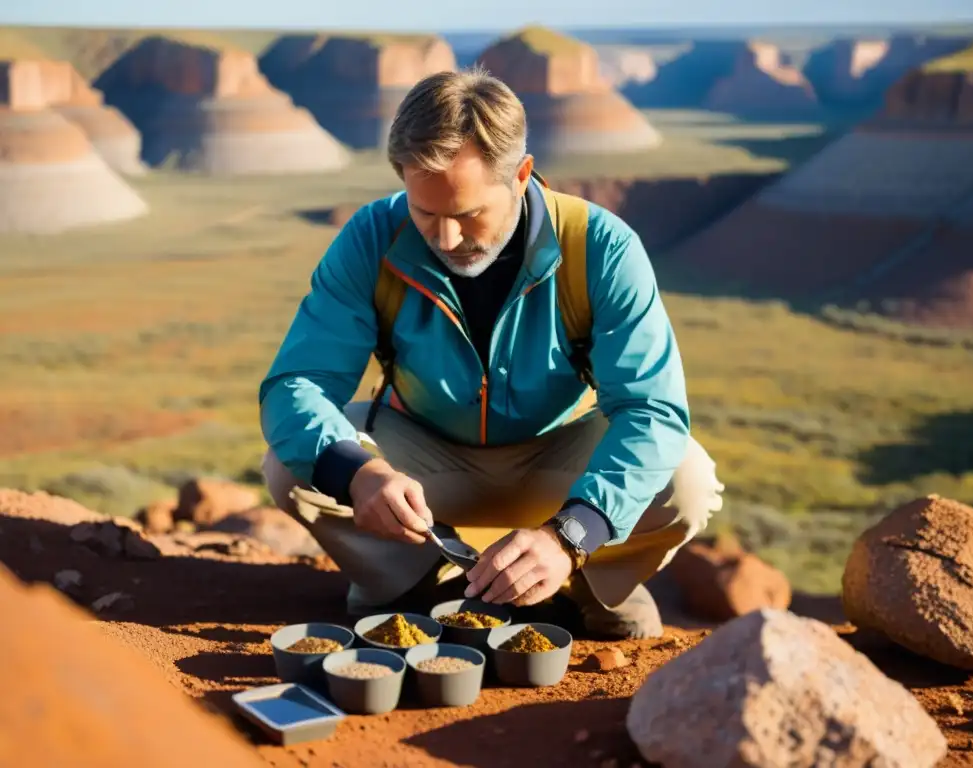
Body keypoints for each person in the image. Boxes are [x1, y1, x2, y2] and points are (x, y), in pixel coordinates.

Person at [258, 67, 724, 639]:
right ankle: (412, 583)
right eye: (425, 212)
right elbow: (296, 385)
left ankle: (593, 587)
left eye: (467, 214)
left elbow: (653, 413)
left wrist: (570, 536)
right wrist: (360, 474)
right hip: (425, 465)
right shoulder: (370, 237)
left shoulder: (601, 246)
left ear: (521, 174)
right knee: (293, 466)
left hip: (556, 460)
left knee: (686, 478)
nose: (446, 239)